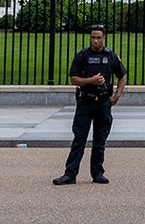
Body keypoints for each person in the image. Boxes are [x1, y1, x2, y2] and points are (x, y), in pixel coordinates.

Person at [53, 24, 128, 185]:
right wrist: (90, 81)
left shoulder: (111, 56)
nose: (95, 41)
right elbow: (74, 79)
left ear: (104, 38)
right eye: (93, 37)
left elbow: (122, 76)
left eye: (98, 38)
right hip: (85, 103)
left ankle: (97, 173)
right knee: (79, 139)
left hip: (103, 103)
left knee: (100, 140)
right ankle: (70, 174)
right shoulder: (82, 56)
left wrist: (117, 96)